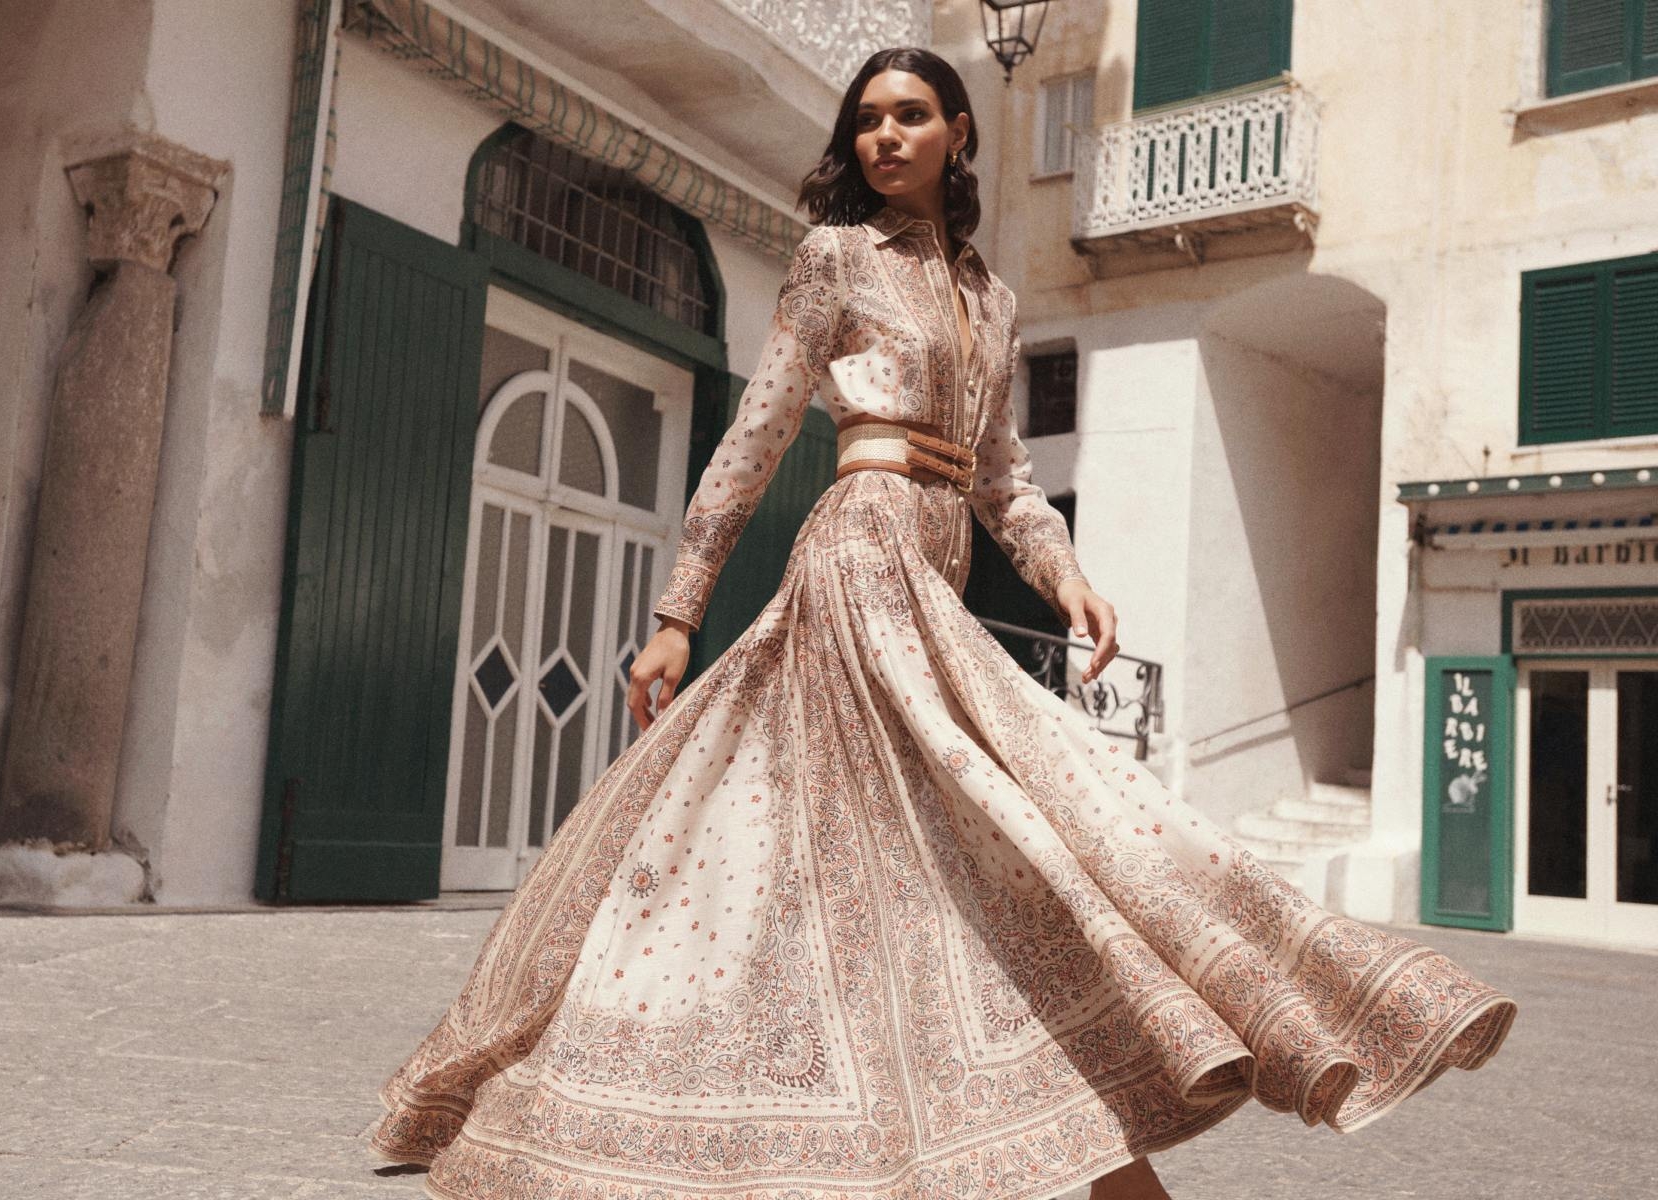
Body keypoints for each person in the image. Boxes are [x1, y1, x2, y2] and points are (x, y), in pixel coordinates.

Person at [364, 46, 1516, 1200]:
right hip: (857, 563)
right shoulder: (832, 259)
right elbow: (758, 433)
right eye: (867, 120)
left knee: (961, 866)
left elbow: (1003, 478)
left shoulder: (991, 299)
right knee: (991, 830)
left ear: (959, 133)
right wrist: (679, 609)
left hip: (935, 577)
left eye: (911, 115)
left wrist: (1066, 576)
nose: (885, 137)